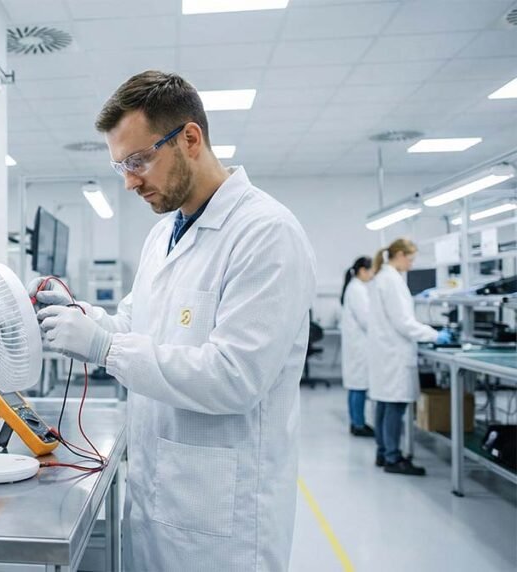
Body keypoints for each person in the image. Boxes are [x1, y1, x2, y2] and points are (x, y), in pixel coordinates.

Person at [35, 71, 316, 571]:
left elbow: (234, 377)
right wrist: (82, 317)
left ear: (190, 138)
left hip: (223, 522)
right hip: (157, 496)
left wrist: (104, 349)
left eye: (138, 160)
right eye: (121, 164)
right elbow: (134, 322)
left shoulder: (266, 233)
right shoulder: (164, 233)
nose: (128, 181)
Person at [367, 238, 450, 476]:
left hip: (385, 352)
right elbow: (404, 322)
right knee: (394, 405)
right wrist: (435, 335)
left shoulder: (382, 277)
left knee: (384, 403)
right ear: (400, 255)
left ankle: (383, 452)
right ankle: (393, 458)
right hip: (394, 352)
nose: (412, 265)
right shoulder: (391, 280)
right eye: (411, 259)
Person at [341, 256, 375, 437]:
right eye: (370, 271)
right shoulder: (357, 290)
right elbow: (366, 320)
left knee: (356, 384)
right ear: (362, 270)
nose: (372, 275)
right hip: (359, 344)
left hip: (357, 344)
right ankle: (358, 424)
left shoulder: (355, 288)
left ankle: (357, 422)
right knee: (359, 384)